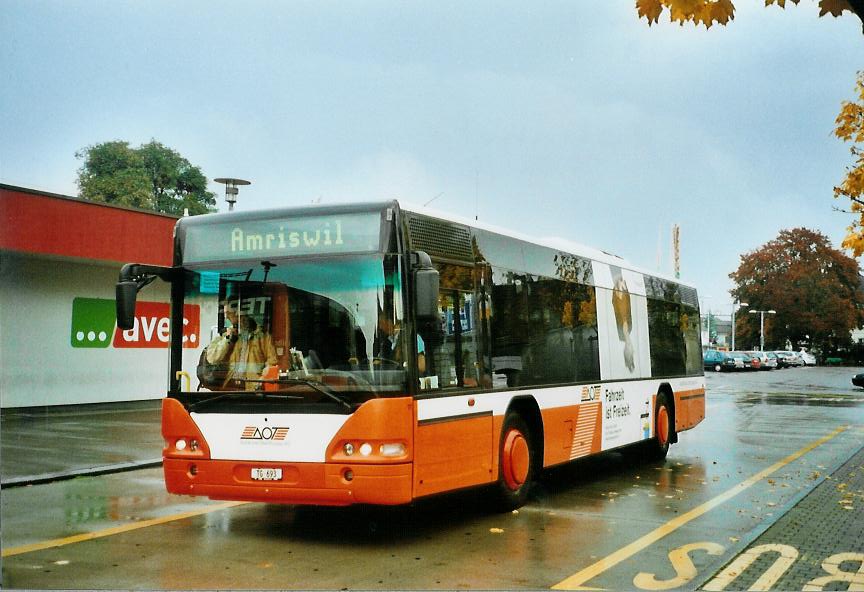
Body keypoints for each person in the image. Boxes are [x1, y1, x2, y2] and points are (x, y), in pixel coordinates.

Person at [206, 301, 278, 390]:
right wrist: (228, 339)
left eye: (229, 313)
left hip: (252, 388)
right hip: (229, 387)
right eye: (225, 314)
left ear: (241, 313)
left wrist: (261, 381)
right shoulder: (227, 335)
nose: (226, 317)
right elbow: (212, 358)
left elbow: (272, 362)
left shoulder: (263, 337)